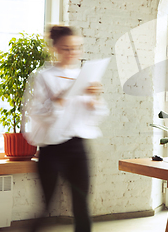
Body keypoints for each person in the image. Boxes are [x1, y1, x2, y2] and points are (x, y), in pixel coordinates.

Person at [23, 26, 108, 232]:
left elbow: (97, 115)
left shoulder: (84, 76)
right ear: (54, 49)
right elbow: (36, 114)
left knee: (82, 205)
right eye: (66, 48)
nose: (72, 53)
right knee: (46, 207)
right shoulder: (42, 77)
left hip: (78, 148)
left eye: (76, 48)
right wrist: (61, 97)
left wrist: (94, 99)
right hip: (52, 149)